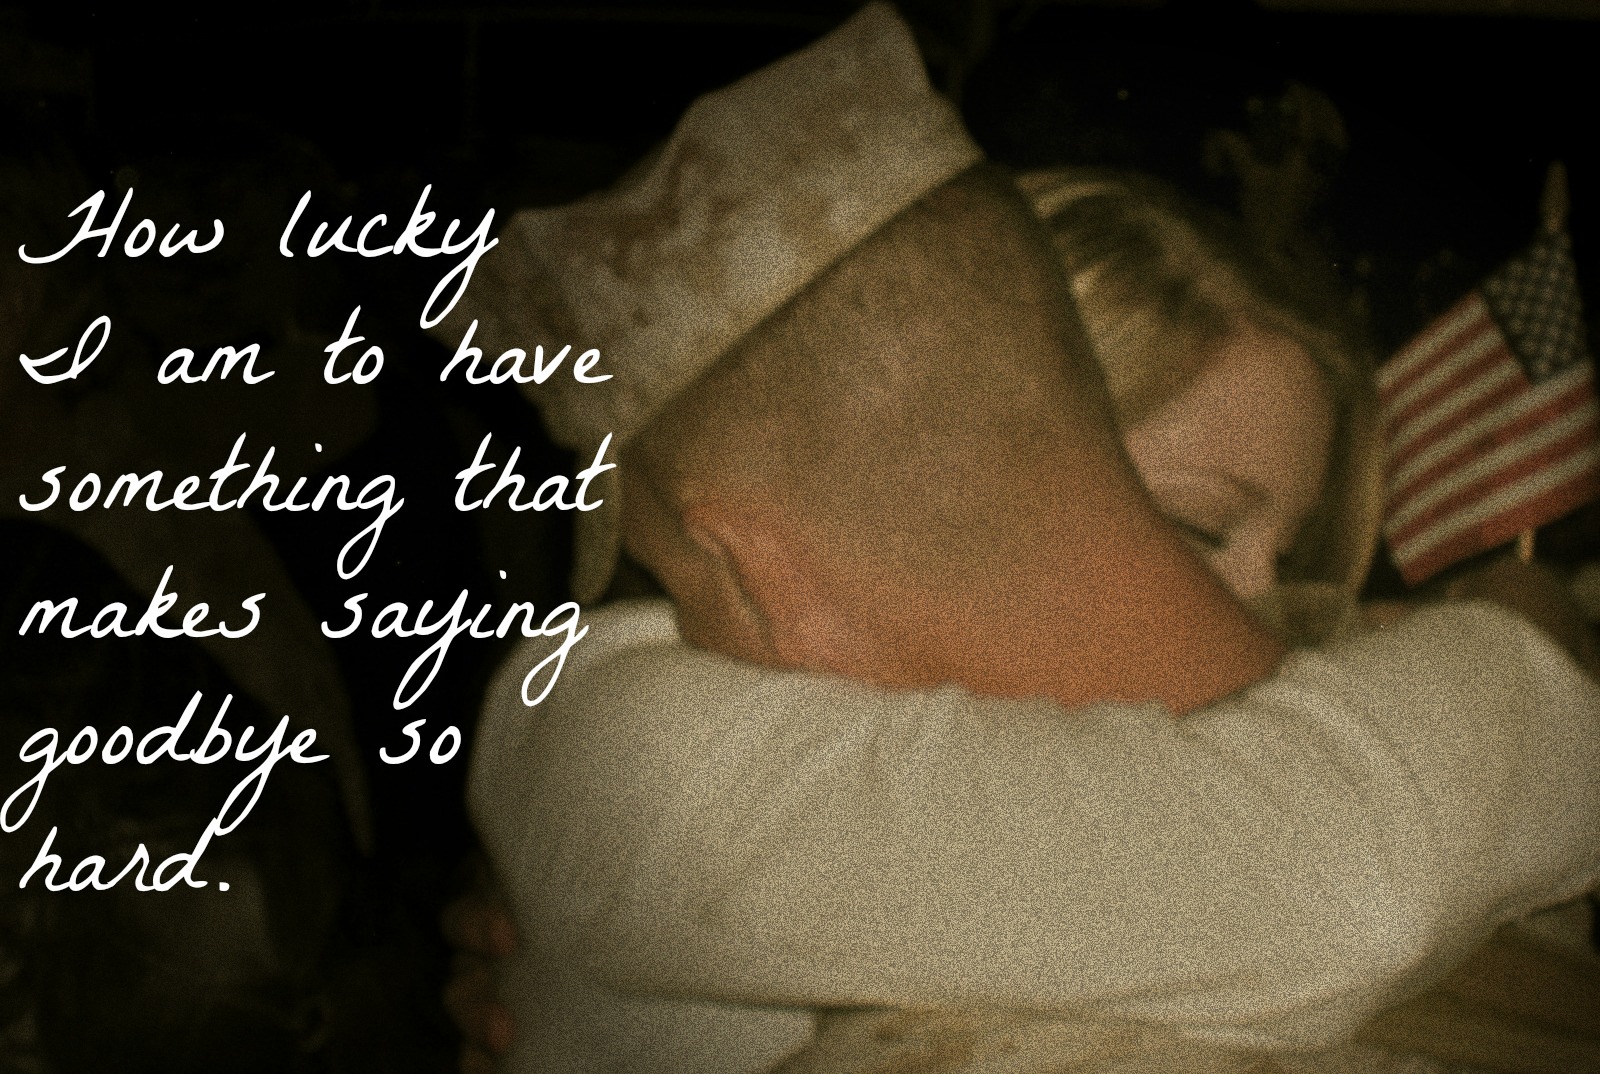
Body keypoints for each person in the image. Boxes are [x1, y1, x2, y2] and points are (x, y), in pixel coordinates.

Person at [438, 6, 1600, 1072]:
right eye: (1193, 525)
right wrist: (1529, 633)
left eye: (1288, 556)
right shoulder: (631, 736)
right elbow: (1335, 876)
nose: (1259, 601)